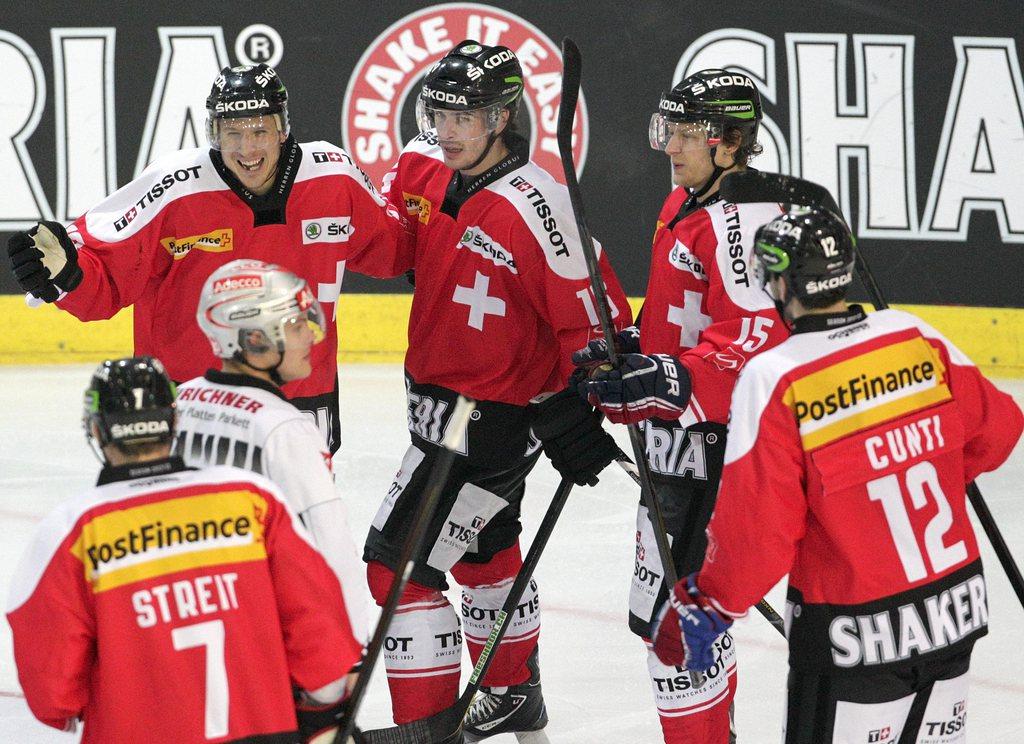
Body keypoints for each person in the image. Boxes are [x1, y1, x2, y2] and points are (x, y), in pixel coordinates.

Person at [342, 40, 632, 740]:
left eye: (463, 118)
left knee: (398, 568)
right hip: (438, 412)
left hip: (487, 427)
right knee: (484, 554)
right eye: (436, 113)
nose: (445, 130)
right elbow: (390, 248)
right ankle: (510, 694)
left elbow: (604, 327)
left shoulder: (541, 208)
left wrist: (578, 402)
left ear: (502, 118)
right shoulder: (423, 165)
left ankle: (429, 726)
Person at [651, 206, 1024, 743]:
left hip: (853, 635)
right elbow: (1002, 428)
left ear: (779, 283)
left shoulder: (777, 376)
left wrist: (708, 605)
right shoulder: (914, 334)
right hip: (953, 613)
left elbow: (758, 533)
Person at [5, 63, 409, 454]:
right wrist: (67, 275)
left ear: (282, 130)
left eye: (258, 131)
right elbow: (106, 282)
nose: (246, 148)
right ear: (213, 132)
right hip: (195, 400)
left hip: (303, 398)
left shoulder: (334, 176)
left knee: (298, 519)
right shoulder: (173, 186)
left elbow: (394, 251)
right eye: (232, 133)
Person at [576, 69, 788, 742]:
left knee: (680, 635)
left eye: (687, 132)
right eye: (668, 128)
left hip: (720, 454)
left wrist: (672, 379)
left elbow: (756, 340)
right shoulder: (686, 204)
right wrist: (642, 346)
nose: (670, 144)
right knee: (668, 630)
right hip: (678, 452)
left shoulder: (744, 221)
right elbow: (688, 319)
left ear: (729, 141)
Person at [5, 356, 364, 743]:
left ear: (96, 430)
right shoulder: (251, 500)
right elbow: (319, 628)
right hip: (262, 729)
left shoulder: (73, 530)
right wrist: (323, 710)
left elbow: (53, 688)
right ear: (175, 421)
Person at [174, 258, 370, 641]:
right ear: (255, 338)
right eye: (295, 325)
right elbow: (330, 551)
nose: (311, 337)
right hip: (260, 632)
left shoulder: (180, 401)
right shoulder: (286, 429)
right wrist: (349, 650)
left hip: (189, 618)